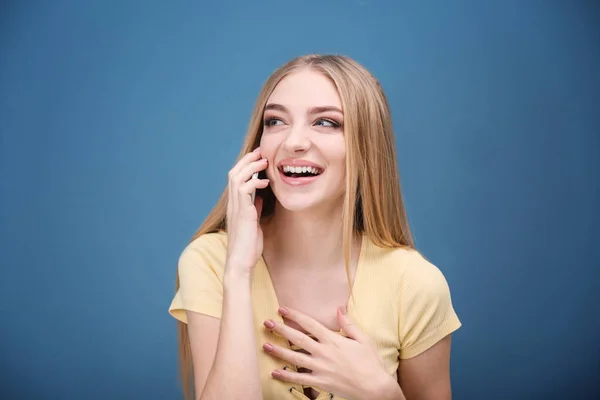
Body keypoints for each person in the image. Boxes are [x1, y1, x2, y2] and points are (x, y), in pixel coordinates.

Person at [168, 54, 462, 400]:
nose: (293, 142)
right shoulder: (210, 262)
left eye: (325, 123)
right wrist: (237, 272)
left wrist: (383, 394)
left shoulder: (415, 285)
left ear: (365, 146)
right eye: (275, 121)